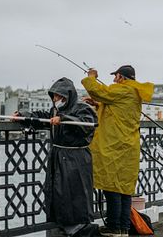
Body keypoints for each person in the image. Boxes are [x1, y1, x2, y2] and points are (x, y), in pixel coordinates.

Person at [13, 77, 98, 236]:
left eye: (59, 97)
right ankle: (61, 225)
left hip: (75, 158)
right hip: (58, 156)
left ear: (68, 96)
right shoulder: (55, 110)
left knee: (74, 193)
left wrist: (64, 119)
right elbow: (42, 117)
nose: (55, 100)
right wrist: (23, 115)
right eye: (54, 96)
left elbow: (86, 124)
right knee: (57, 192)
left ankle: (78, 228)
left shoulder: (82, 108)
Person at [81, 65, 154, 236]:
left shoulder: (122, 89)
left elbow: (100, 91)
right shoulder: (134, 92)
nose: (114, 80)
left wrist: (91, 77)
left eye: (115, 76)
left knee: (112, 187)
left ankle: (114, 226)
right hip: (129, 146)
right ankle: (123, 228)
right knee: (124, 188)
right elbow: (117, 109)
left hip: (115, 145)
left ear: (121, 77)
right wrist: (98, 104)